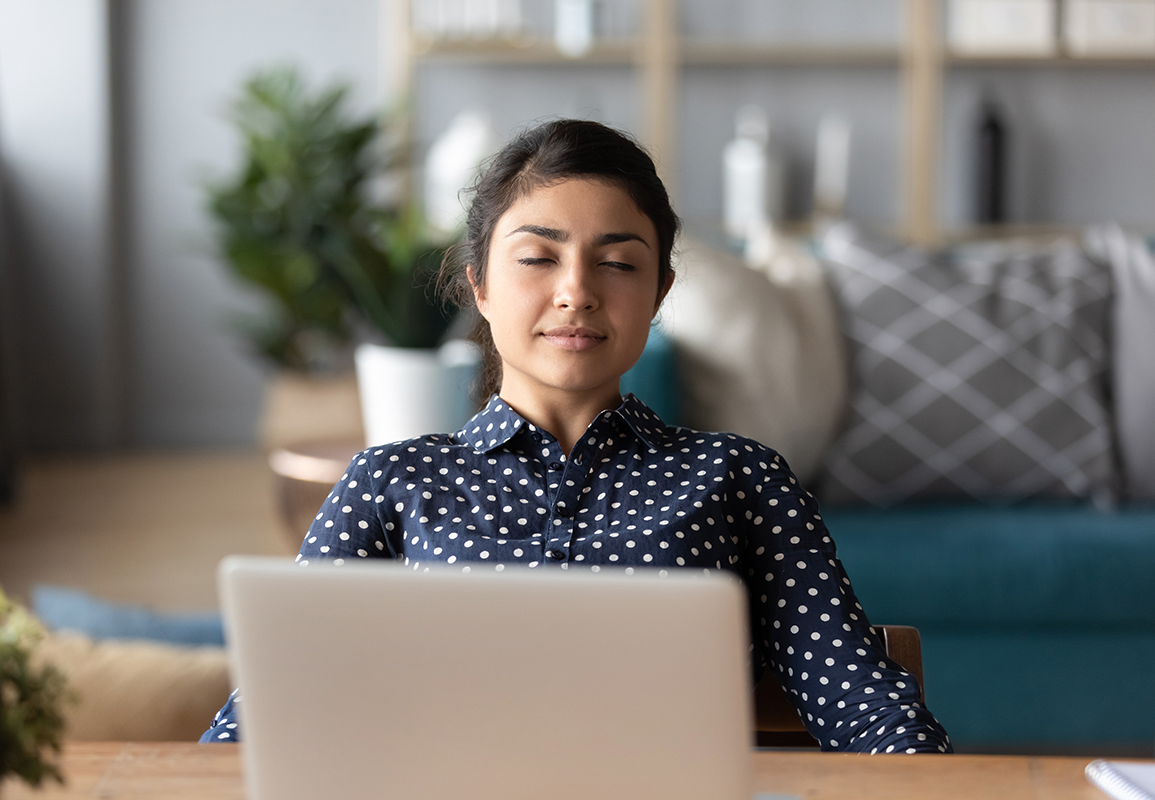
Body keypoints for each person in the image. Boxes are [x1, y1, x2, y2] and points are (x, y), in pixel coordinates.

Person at [202, 119, 951, 753]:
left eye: (618, 262)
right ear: (480, 286)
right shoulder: (393, 480)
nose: (577, 291)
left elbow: (867, 709)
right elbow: (262, 718)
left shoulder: (738, 477)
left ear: (658, 294)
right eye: (537, 257)